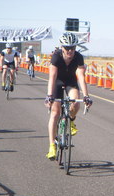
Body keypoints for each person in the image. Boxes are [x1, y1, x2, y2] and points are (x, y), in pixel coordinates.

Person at [44, 32, 92, 160]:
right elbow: (52, 77)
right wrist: (49, 95)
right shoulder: (56, 57)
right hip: (57, 82)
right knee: (55, 112)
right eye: (67, 48)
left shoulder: (79, 57)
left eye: (73, 48)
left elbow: (81, 77)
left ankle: (70, 121)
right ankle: (52, 146)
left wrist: (86, 95)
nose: (70, 50)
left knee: (76, 103)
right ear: (62, 47)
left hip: (71, 81)